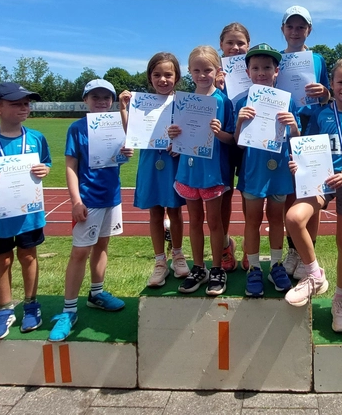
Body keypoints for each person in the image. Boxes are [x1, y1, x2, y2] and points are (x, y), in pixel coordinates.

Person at [284, 58, 342, 334]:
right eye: (340, 82)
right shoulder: (320, 114)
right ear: (331, 84)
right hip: (322, 180)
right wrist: (298, 163)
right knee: (293, 217)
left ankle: (339, 301)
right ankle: (314, 273)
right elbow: (306, 146)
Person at [48, 79, 133, 342]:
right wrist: (75, 201)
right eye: (95, 97)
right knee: (79, 252)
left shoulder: (116, 124)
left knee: (103, 245)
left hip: (112, 196)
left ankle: (97, 293)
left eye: (105, 97)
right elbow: (71, 166)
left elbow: (129, 143)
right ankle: (68, 310)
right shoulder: (77, 128)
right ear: (85, 99)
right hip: (88, 199)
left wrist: (125, 152)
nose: (100, 101)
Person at [0, 82, 50, 339]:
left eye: (26, 103)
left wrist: (44, 170)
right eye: (16, 103)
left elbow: (45, 163)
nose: (24, 108)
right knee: (2, 260)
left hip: (29, 214)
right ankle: (4, 310)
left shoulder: (36, 138)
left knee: (28, 257)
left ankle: (31, 304)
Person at [233, 43, 299, 296]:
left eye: (267, 68)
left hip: (278, 170)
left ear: (276, 71)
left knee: (276, 220)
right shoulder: (241, 101)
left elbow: (296, 138)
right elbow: (237, 142)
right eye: (256, 68)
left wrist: (293, 126)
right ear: (248, 71)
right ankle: (254, 269)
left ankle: (276, 265)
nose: (262, 72)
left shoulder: (287, 101)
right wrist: (240, 121)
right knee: (252, 221)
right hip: (253, 171)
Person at [119, 53, 188, 288]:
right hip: (150, 161)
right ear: (150, 77)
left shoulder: (183, 102)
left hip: (172, 161)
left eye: (168, 74)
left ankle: (178, 255)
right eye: (157, 75)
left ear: (176, 77)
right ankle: (160, 262)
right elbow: (133, 134)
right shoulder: (141, 102)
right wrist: (124, 109)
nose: (163, 79)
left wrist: (179, 145)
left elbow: (190, 133)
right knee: (156, 213)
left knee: (175, 210)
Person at [170, 46, 235, 296]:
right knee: (194, 221)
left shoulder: (223, 101)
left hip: (212, 173)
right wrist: (173, 136)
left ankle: (217, 268)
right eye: (196, 70)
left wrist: (220, 133)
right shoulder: (183, 101)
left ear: (217, 71)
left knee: (214, 222)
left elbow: (232, 139)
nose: (202, 74)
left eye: (207, 69)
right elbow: (177, 136)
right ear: (189, 71)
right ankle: (199, 268)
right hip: (188, 171)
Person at [278, 6, 332, 279]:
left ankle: (307, 253)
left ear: (309, 30)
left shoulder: (318, 59)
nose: (296, 31)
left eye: (301, 27)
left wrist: (324, 93)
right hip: (282, 133)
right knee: (290, 193)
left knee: (312, 196)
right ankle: (293, 250)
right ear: (283, 30)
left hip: (311, 133)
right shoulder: (276, 60)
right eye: (291, 26)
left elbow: (328, 98)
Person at [216, 22, 251, 272]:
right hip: (225, 140)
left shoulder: (256, 68)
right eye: (230, 42)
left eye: (240, 43)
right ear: (221, 45)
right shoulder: (213, 71)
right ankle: (225, 244)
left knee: (252, 195)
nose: (236, 47)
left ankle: (251, 247)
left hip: (253, 141)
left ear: (248, 45)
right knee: (224, 196)